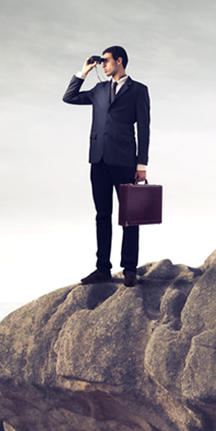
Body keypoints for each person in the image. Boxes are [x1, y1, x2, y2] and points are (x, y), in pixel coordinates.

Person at [63, 46, 150, 287]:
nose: (103, 65)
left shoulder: (138, 90)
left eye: (106, 61)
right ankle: (102, 268)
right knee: (102, 216)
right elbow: (69, 97)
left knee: (129, 218)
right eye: (101, 62)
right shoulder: (99, 89)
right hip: (98, 160)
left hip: (124, 161)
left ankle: (129, 269)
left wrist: (142, 163)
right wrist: (84, 72)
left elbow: (144, 129)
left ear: (119, 61)